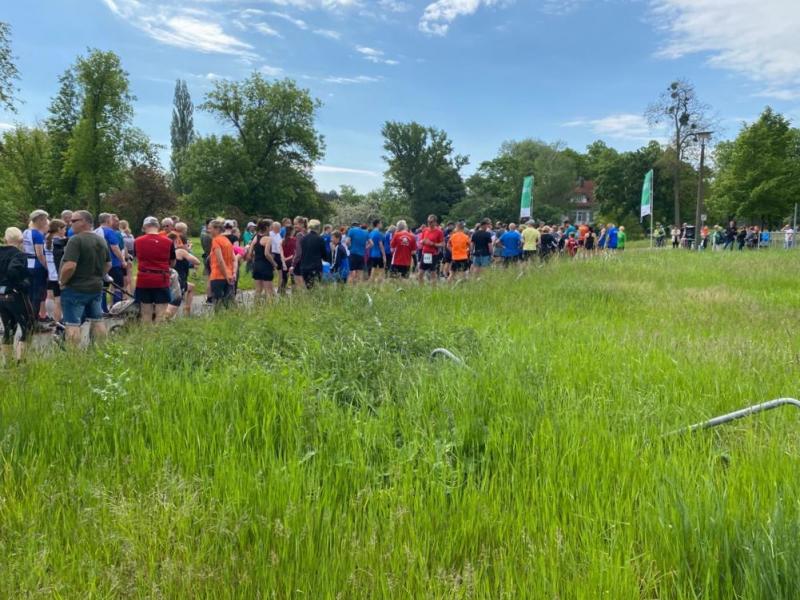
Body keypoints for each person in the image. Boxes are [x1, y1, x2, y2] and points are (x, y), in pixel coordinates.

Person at [59, 210, 110, 346]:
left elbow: (70, 266)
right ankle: (102, 350)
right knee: (97, 320)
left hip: (75, 288)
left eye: (74, 221)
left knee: (72, 324)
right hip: (95, 287)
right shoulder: (101, 240)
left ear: (85, 222)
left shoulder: (76, 240)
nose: (70, 224)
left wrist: (62, 281)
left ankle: (74, 355)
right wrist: (98, 276)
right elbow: (108, 264)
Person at [0, 227, 35, 363]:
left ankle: (8, 362)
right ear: (20, 240)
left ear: (5, 239)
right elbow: (13, 270)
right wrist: (21, 284)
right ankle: (21, 360)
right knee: (29, 326)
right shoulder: (19, 255)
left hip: (1, 295)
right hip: (15, 294)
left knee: (8, 328)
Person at [134, 216, 175, 323]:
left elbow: (137, 259)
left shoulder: (137, 241)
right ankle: (158, 332)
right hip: (161, 279)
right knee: (160, 314)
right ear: (158, 226)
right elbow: (172, 262)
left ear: (144, 227)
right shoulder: (168, 241)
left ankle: (146, 333)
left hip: (143, 279)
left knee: (145, 314)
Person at [95, 213, 126, 311]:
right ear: (108, 221)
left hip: (100, 263)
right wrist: (123, 260)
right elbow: (115, 247)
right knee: (118, 286)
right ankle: (117, 308)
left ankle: (103, 309)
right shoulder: (110, 232)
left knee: (103, 287)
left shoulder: (95, 231)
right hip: (113, 263)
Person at [166, 233, 201, 318]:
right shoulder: (181, 251)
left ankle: (187, 311)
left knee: (191, 287)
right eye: (187, 243)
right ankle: (162, 320)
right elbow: (197, 261)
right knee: (172, 308)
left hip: (167, 278)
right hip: (178, 281)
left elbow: (178, 263)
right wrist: (187, 251)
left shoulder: (166, 250)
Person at [23, 209, 50, 322]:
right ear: (39, 220)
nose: (46, 222)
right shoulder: (38, 235)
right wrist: (47, 267)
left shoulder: (26, 232)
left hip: (27, 263)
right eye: (44, 220)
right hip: (37, 266)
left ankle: (28, 316)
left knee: (29, 292)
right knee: (38, 293)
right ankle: (34, 319)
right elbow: (40, 254)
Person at [248, 219, 279, 300]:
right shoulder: (268, 239)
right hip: (265, 266)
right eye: (271, 226)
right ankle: (270, 307)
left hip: (256, 265)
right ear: (267, 227)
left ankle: (256, 306)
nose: (271, 228)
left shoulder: (256, 237)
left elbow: (250, 252)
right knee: (268, 291)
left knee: (258, 290)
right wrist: (274, 263)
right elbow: (266, 254)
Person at [208, 219, 235, 309]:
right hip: (229, 274)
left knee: (217, 303)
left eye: (210, 228)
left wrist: (226, 275)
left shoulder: (216, 240)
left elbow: (220, 260)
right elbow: (233, 259)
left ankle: (218, 317)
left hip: (218, 275)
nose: (209, 230)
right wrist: (232, 273)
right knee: (228, 304)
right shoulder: (227, 240)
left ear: (217, 229)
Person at [44, 219, 67, 323]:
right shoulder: (59, 243)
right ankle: (58, 323)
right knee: (59, 301)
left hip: (51, 274)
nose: (65, 231)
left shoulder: (47, 241)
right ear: (59, 229)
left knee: (53, 298)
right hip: (58, 275)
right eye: (64, 229)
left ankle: (52, 318)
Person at [298, 219, 329, 289]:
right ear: (318, 228)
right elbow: (324, 254)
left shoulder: (303, 239)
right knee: (315, 288)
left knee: (308, 287)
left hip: (304, 267)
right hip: (315, 267)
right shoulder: (320, 239)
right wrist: (327, 259)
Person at [418, 214, 445, 285]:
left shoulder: (439, 232)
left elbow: (443, 244)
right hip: (424, 254)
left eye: (431, 222)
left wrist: (432, 244)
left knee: (433, 274)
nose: (429, 223)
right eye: (428, 221)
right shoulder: (425, 230)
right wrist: (423, 241)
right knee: (420, 274)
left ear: (435, 222)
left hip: (433, 254)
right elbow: (420, 241)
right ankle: (421, 289)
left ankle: (434, 289)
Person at [280, 225, 296, 293]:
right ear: (292, 231)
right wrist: (288, 258)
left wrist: (284, 261)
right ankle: (295, 293)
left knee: (284, 279)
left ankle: (282, 293)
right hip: (292, 261)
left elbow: (281, 252)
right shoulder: (295, 240)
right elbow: (295, 253)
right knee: (293, 279)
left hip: (284, 262)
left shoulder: (282, 240)